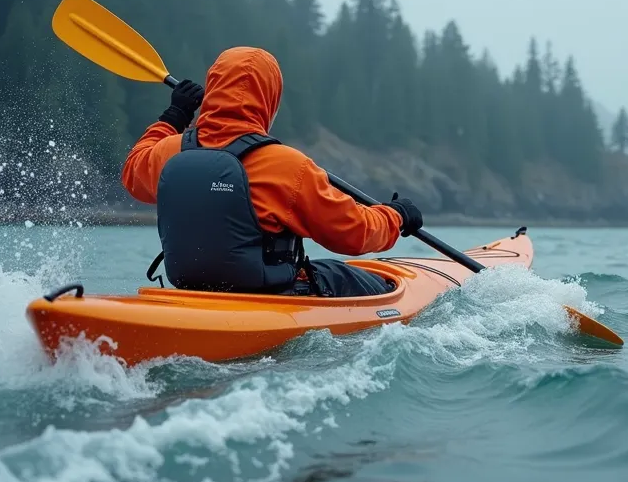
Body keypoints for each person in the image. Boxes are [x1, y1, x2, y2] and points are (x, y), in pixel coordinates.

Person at [120, 46, 423, 297]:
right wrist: (395, 217)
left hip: (191, 291)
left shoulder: (171, 152)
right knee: (368, 282)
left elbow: (133, 172)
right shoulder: (287, 167)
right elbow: (355, 233)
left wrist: (174, 116)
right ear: (270, 101)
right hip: (269, 298)